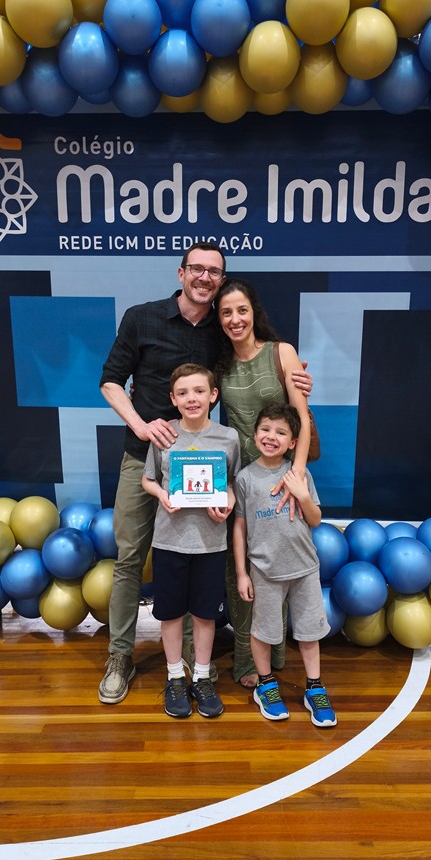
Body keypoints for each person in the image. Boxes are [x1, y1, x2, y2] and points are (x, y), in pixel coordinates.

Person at [98, 246, 310, 705]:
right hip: (144, 457)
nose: (205, 277)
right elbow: (111, 381)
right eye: (197, 268)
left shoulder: (222, 329)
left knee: (201, 559)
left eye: (214, 271)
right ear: (181, 273)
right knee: (130, 558)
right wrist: (142, 426)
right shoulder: (142, 318)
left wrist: (295, 378)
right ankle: (120, 656)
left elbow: (258, 362)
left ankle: (197, 663)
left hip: (206, 466)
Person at [216, 278, 314, 689]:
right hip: (240, 477)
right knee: (241, 568)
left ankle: (274, 654)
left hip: (281, 475)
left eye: (242, 310)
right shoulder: (218, 361)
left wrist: (296, 477)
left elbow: (301, 419)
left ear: (254, 312)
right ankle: (247, 661)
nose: (235, 319)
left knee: (280, 564)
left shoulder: (282, 352)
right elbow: (191, 393)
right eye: (226, 312)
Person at [142, 364, 240, 718]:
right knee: (169, 614)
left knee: (204, 614)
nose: (191, 399)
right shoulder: (164, 435)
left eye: (199, 391)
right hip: (169, 541)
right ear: (173, 399)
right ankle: (174, 677)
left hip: (210, 544)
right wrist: (162, 495)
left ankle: (201, 676)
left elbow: (232, 483)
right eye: (182, 393)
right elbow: (148, 479)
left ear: (213, 395)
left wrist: (227, 502)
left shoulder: (228, 438)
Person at [233, 403, 337, 727]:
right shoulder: (245, 478)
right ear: (255, 435)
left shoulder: (299, 474)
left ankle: (314, 687)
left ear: (292, 442)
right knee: (263, 631)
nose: (271, 436)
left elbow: (315, 519)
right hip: (265, 571)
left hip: (304, 568)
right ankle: (265, 684)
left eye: (281, 432)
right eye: (265, 429)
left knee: (308, 632)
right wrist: (241, 573)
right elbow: (240, 528)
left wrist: (301, 495)